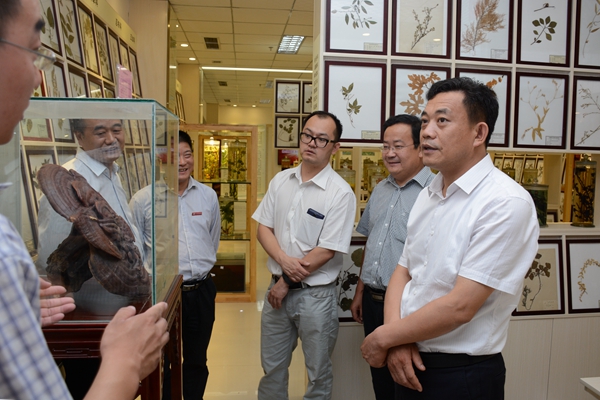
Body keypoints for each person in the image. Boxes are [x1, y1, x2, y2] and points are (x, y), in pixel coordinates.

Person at [0, 0, 169, 399]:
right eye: (100, 132)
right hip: (90, 316)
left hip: (118, 311)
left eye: (117, 129)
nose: (112, 139)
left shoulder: (113, 174)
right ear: (79, 137)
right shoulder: (68, 183)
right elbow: (58, 260)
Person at [361, 77, 540, 400]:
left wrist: (384, 337)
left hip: (461, 374)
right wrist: (396, 338)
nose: (427, 132)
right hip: (407, 355)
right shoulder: (429, 193)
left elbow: (461, 306)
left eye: (442, 121)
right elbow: (403, 271)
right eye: (425, 121)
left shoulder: (505, 202)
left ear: (479, 133)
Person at [252, 111, 356, 399]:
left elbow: (326, 250)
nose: (311, 143)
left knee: (317, 373)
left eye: (321, 139)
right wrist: (284, 264)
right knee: (272, 368)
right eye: (307, 135)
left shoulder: (340, 193)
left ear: (335, 147)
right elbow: (264, 228)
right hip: (276, 291)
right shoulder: (280, 180)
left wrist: (286, 281)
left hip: (315, 297)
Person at [130, 130, 220, 399]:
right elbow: (135, 251)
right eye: (173, 156)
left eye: (187, 154)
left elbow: (212, 241)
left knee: (196, 360)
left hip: (201, 291)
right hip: (163, 293)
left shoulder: (207, 196)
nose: (182, 162)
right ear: (160, 158)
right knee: (162, 362)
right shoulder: (143, 200)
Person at [350, 114, 434, 399]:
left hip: (408, 306)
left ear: (420, 148)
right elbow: (372, 243)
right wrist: (360, 291)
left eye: (398, 146)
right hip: (372, 302)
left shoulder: (435, 193)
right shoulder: (380, 189)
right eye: (385, 146)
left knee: (408, 382)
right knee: (381, 382)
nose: (389, 153)